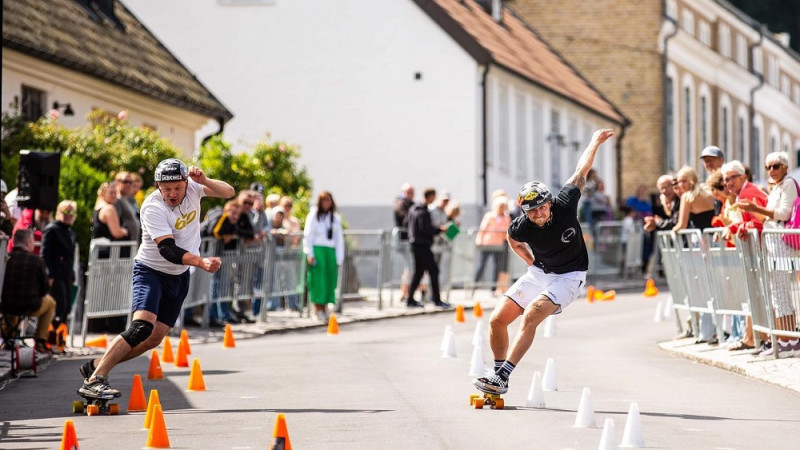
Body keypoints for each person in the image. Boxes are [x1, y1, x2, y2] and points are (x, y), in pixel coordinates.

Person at [473, 128, 614, 395]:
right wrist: (530, 261)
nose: (538, 214)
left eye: (542, 207)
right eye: (532, 210)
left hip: (571, 276)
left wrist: (594, 141)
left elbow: (580, 171)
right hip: (540, 272)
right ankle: (498, 372)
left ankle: (503, 375)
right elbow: (512, 240)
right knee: (497, 320)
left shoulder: (564, 204)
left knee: (531, 315)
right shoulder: (521, 225)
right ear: (525, 211)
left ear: (549, 202)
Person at [77, 158, 232, 399]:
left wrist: (205, 180)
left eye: (177, 188)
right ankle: (96, 379)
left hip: (178, 276)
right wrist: (201, 262)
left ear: (186, 183)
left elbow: (229, 192)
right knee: (141, 327)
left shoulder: (193, 188)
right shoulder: (153, 207)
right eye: (166, 188)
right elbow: (168, 251)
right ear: (158, 185)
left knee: (153, 338)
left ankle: (97, 364)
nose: (172, 194)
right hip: (151, 270)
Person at [737, 152, 799, 356]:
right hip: (773, 243)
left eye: (776, 166)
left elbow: (784, 214)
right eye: (768, 167)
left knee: (781, 291)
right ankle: (785, 338)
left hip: (782, 243)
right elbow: (771, 216)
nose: (771, 170)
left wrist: (757, 209)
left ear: (785, 166)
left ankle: (790, 340)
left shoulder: (788, 184)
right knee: (777, 292)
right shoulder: (776, 187)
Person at [0, 229, 57, 353]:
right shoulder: (36, 261)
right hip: (30, 305)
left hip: (6, 305)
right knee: (50, 302)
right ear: (28, 242)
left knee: (9, 307)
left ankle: (9, 338)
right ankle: (41, 340)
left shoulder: (5, 259)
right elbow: (45, 289)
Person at [404, 187, 451, 309]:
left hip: (415, 243)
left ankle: (410, 300)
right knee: (434, 270)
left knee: (419, 272)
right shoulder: (422, 211)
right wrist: (440, 229)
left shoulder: (413, 208)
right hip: (422, 244)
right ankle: (436, 300)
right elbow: (425, 229)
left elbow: (406, 223)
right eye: (434, 197)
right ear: (430, 196)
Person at [303, 191, 344, 321]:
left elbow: (339, 239)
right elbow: (308, 235)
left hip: (330, 251)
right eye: (324, 200)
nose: (326, 203)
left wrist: (339, 257)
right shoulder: (314, 215)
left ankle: (325, 307)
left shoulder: (335, 218)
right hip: (318, 251)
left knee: (329, 280)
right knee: (318, 280)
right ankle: (317, 308)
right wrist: (309, 253)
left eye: (328, 200)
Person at [41, 200, 77, 331]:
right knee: (59, 305)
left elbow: (70, 255)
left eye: (72, 212)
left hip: (66, 274)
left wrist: (72, 274)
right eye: (66, 212)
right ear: (59, 212)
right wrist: (49, 274)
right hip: (55, 273)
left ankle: (59, 338)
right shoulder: (52, 229)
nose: (69, 215)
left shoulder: (70, 232)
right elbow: (45, 253)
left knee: (67, 307)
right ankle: (49, 337)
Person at [473, 196, 511, 294]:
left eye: (503, 206)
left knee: (497, 266)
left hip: (498, 245)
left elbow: (506, 231)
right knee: (481, 265)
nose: (502, 208)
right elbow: (482, 229)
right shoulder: (489, 215)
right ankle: (474, 285)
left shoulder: (507, 218)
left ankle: (493, 288)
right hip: (486, 244)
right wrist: (479, 241)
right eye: (500, 206)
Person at [672, 166, 716, 233]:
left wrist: (672, 232)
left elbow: (682, 225)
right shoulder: (708, 191)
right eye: (679, 182)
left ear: (692, 180)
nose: (681, 185)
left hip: (700, 238)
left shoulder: (687, 197)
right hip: (716, 237)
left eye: (684, 181)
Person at [92, 181, 130, 258]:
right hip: (110, 256)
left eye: (115, 193)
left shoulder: (97, 207)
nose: (114, 195)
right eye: (111, 193)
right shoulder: (109, 209)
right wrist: (124, 231)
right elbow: (116, 233)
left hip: (99, 253)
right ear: (103, 194)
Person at [114, 171, 141, 243]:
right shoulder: (116, 200)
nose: (128, 184)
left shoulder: (127, 199)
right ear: (117, 183)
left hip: (132, 244)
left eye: (130, 182)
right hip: (122, 245)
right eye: (125, 182)